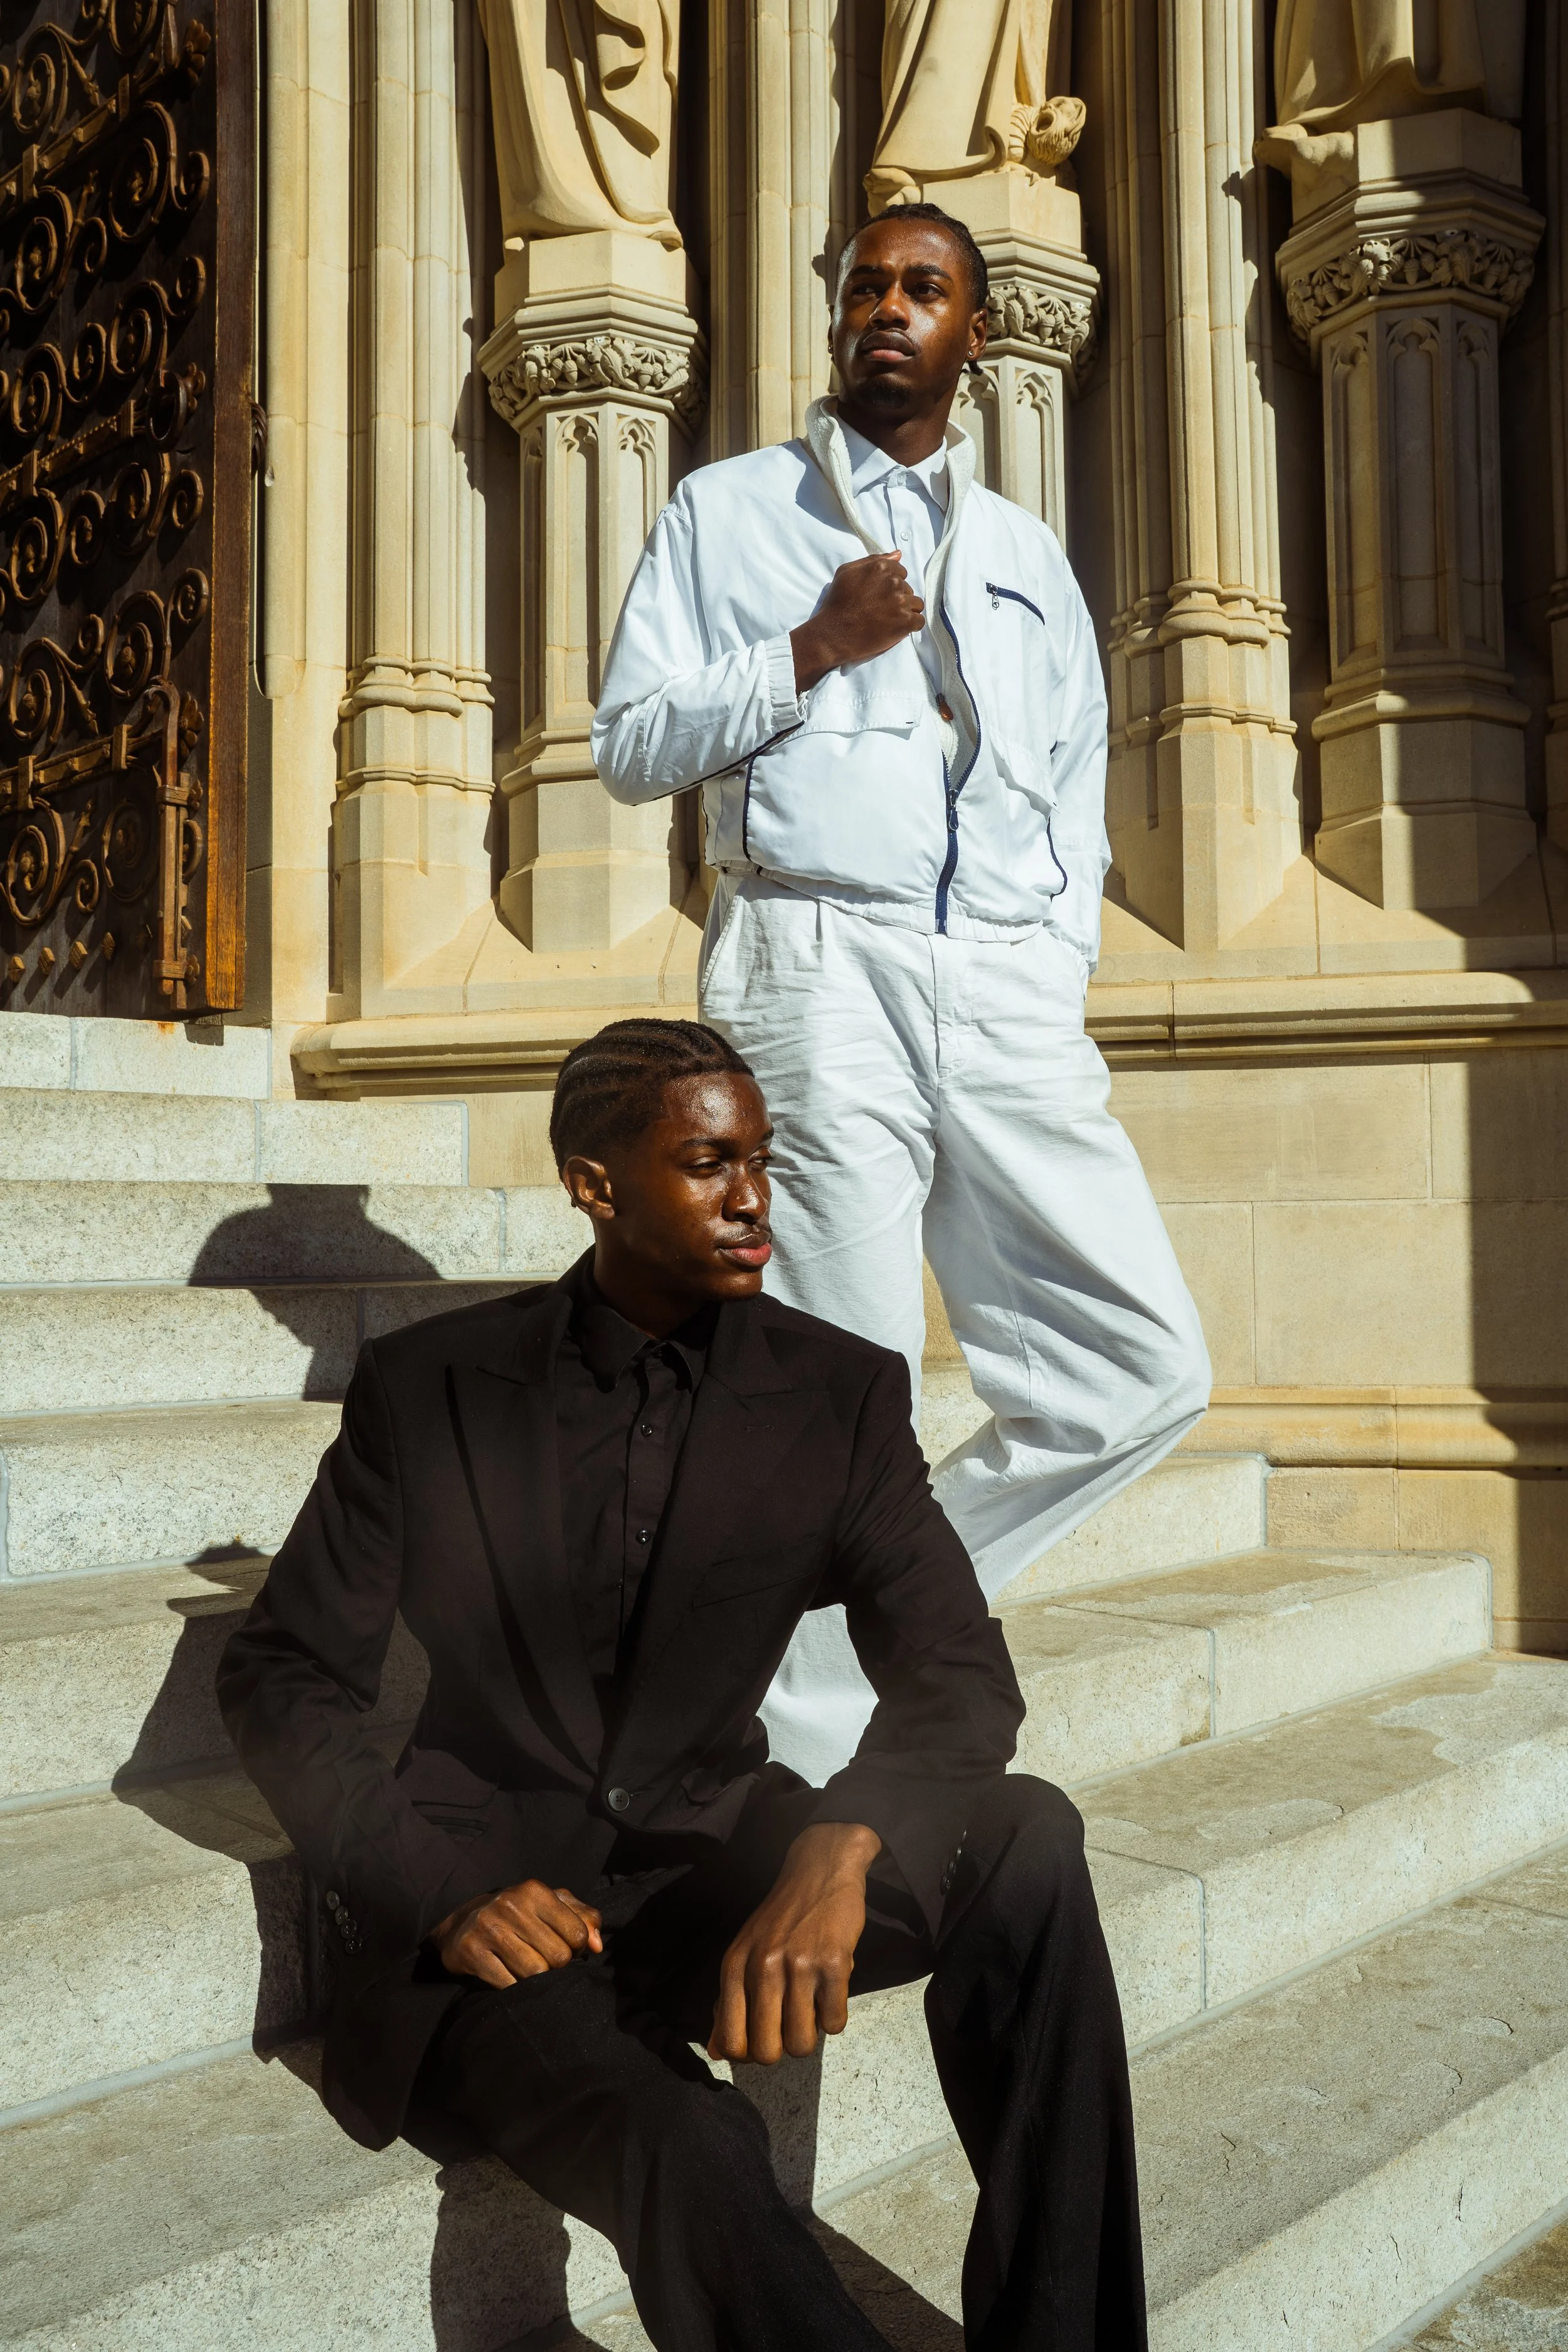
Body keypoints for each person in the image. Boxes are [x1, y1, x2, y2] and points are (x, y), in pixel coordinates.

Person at [218, 1017, 1147, 2352]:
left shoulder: (835, 1396)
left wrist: (838, 1841)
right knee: (690, 2138)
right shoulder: (434, 1390)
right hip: (497, 1909)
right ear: (596, 1187)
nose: (754, 1198)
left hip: (716, 1862)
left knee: (1025, 1837)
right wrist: (437, 1894)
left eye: (761, 1160)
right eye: (708, 1165)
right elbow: (286, 1677)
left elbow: (957, 1675)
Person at [591, 203, 1212, 1783]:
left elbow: (1073, 777)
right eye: (864, 285)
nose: (887, 309)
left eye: (922, 289)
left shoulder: (1021, 556)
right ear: (833, 315)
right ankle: (804, 1769)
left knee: (1138, 1370)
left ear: (973, 334)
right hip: (811, 963)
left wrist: (1051, 957)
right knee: (835, 1386)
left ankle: (893, 1610)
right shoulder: (725, 514)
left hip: (1000, 986)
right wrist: (806, 649)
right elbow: (626, 745)